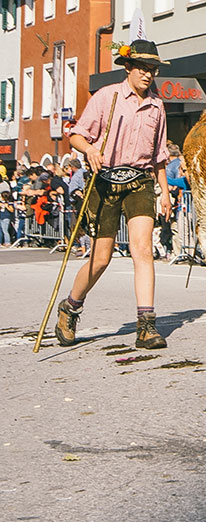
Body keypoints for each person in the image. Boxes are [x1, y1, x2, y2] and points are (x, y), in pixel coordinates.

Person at [54, 40, 172, 350]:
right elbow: (77, 134)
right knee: (101, 258)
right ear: (129, 68)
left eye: (153, 69)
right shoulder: (108, 97)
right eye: (144, 68)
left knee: (142, 249)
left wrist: (166, 192)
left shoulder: (157, 105)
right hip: (105, 183)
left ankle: (146, 326)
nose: (148, 74)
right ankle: (70, 307)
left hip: (140, 182)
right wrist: (90, 148)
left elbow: (159, 155)